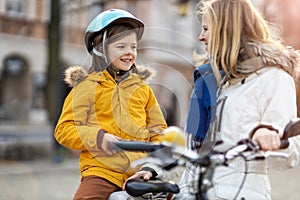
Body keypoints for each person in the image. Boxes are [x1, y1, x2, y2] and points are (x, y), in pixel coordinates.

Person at [177, 0, 300, 199]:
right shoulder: (208, 82)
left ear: (227, 30)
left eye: (207, 29)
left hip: (239, 193)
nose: (201, 37)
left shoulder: (273, 78)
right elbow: (190, 152)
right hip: (191, 192)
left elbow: (290, 156)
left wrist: (268, 134)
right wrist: (155, 171)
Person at [54, 9, 167, 200]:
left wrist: (151, 167)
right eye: (121, 46)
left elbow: (159, 132)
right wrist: (99, 138)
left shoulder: (143, 89)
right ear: (101, 49)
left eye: (133, 47)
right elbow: (64, 129)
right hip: (102, 171)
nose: (129, 53)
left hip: (139, 172)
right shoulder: (87, 86)